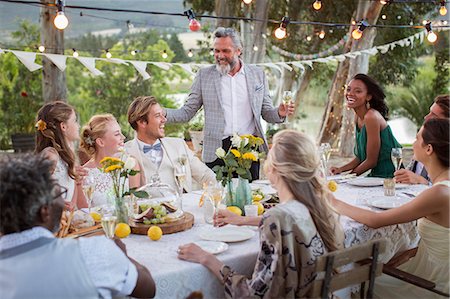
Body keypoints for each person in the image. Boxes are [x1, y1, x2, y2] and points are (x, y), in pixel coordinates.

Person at [178, 130, 343, 298]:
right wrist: (242, 220)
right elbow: (289, 221)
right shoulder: (318, 206)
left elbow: (253, 295)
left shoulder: (276, 218)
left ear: (275, 168)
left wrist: (206, 258)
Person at [0, 154, 156, 299]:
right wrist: (122, 255)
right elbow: (148, 289)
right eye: (59, 194)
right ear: (44, 211)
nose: (62, 201)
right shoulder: (92, 253)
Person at [331, 118, 450, 298]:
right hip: (426, 266)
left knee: (348, 281)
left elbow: (375, 220)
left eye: (417, 138)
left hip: (433, 283)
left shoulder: (438, 193)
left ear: (429, 149)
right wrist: (405, 256)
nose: (413, 143)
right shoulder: (441, 187)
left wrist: (332, 201)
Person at [164, 27, 294, 180]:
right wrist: (161, 113)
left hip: (248, 151)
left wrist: (279, 112)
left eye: (225, 51)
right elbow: (187, 112)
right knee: (217, 200)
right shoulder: (204, 76)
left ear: (238, 50)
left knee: (250, 200)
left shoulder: (257, 74)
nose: (220, 56)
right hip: (216, 152)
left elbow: (266, 112)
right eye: (216, 51)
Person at [125, 96, 216, 192]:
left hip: (182, 205)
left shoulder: (179, 145)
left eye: (163, 115)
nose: (164, 120)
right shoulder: (125, 153)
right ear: (142, 122)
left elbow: (206, 176)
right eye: (157, 116)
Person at [330, 74, 401, 178]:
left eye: (358, 91)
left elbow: (371, 161)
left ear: (368, 96)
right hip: (375, 176)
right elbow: (361, 157)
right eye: (349, 89)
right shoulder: (358, 117)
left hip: (390, 177)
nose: (350, 94)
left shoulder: (371, 117)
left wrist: (347, 178)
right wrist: (340, 169)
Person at [80, 114, 142, 207]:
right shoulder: (84, 173)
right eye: (117, 134)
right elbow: (85, 212)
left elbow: (135, 205)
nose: (123, 137)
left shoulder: (130, 164)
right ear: (101, 142)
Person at [35, 101, 87, 210]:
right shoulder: (50, 155)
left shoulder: (68, 154)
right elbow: (36, 192)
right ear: (63, 126)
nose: (78, 125)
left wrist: (77, 180)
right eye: (75, 121)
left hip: (64, 220)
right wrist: (56, 203)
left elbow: (71, 204)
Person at [394, 94, 449, 185]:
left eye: (434, 116)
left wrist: (422, 182)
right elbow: (412, 174)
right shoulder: (423, 144)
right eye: (429, 112)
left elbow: (446, 190)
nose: (426, 117)